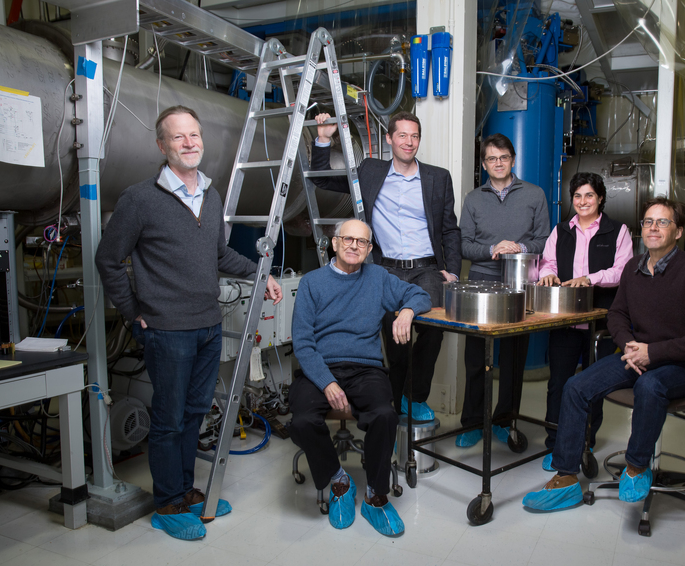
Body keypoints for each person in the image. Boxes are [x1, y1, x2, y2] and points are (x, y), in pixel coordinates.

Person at [95, 106, 283, 541]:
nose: (189, 143)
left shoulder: (211, 195)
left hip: (207, 325)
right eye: (178, 137)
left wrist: (261, 273)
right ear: (162, 146)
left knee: (195, 413)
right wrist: (133, 311)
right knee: (168, 418)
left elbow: (218, 255)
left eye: (194, 135)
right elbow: (108, 259)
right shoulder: (140, 199)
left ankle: (184, 491)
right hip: (166, 329)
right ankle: (166, 503)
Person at [523, 197, 685, 511]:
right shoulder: (634, 268)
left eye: (663, 222)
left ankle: (635, 467)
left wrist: (653, 352)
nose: (653, 228)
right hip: (637, 357)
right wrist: (631, 346)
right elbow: (616, 314)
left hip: (683, 367)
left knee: (650, 386)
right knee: (576, 387)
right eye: (648, 222)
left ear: (678, 232)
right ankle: (565, 479)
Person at [310, 111, 461, 422]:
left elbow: (449, 229)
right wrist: (324, 139)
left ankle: (414, 396)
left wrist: (453, 269)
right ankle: (391, 409)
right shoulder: (370, 171)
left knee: (433, 331)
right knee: (395, 339)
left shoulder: (438, 177)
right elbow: (323, 179)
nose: (409, 142)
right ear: (390, 139)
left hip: (427, 268)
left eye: (415, 136)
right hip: (385, 268)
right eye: (402, 135)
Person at [287, 219, 431, 536]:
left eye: (362, 242)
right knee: (300, 421)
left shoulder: (378, 278)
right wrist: (327, 382)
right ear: (334, 243)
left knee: (384, 415)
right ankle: (339, 481)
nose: (354, 246)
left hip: (365, 367)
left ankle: (374, 496)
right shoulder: (312, 283)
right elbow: (303, 343)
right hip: (320, 368)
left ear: (369, 250)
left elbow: (421, 294)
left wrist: (406, 311)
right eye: (348, 240)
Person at [456, 133, 549, 447]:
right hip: (481, 283)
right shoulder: (472, 199)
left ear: (512, 159)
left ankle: (504, 419)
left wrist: (518, 247)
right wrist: (493, 248)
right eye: (491, 159)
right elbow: (465, 245)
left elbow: (545, 241)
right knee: (476, 357)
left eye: (504, 157)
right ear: (484, 163)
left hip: (520, 285)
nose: (498, 163)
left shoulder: (535, 194)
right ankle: (472, 422)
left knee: (512, 359)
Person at [536, 172, 633, 469]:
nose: (582, 201)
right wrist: (547, 274)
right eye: (577, 196)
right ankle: (555, 445)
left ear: (600, 198)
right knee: (559, 384)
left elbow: (622, 271)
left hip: (602, 326)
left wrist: (589, 279)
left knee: (594, 385)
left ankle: (585, 441)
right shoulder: (561, 230)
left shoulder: (618, 231)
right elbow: (547, 262)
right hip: (564, 321)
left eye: (589, 195)